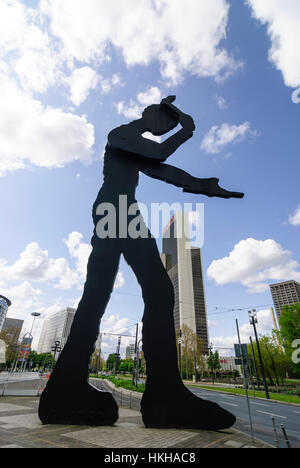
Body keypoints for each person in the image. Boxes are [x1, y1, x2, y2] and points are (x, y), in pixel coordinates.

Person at [39, 96, 242, 429]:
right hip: (114, 210)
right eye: (165, 123)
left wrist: (206, 186)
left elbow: (166, 171)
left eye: (170, 126)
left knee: (115, 293)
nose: (166, 129)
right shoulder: (120, 134)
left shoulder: (134, 144)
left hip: (122, 211)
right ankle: (159, 396)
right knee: (116, 293)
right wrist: (185, 133)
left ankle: (79, 387)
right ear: (150, 114)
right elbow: (160, 154)